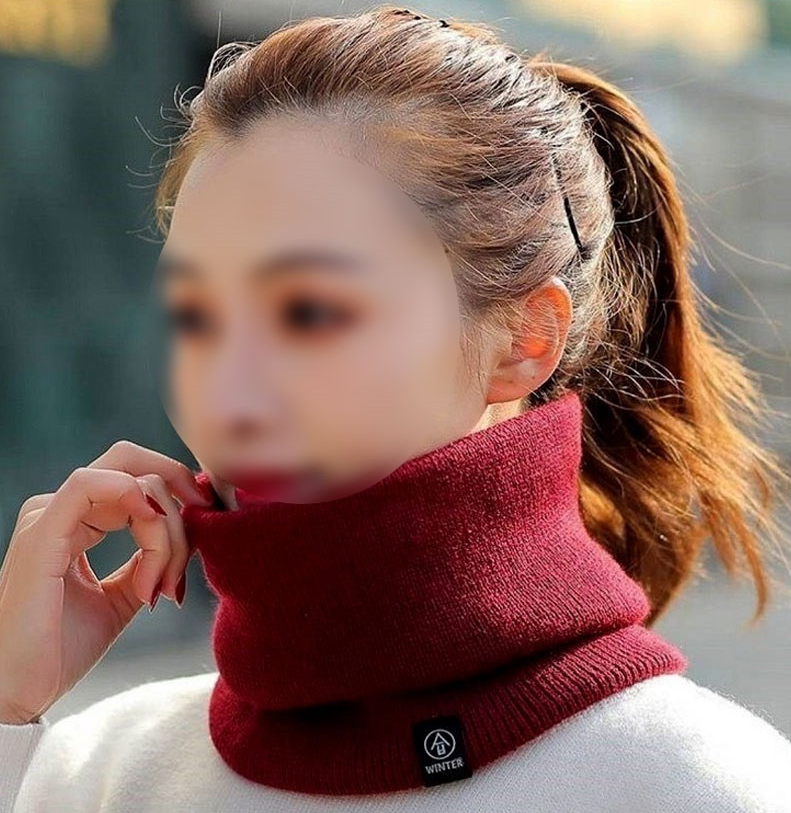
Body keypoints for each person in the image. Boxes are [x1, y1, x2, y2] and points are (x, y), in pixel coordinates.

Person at [1, 5, 790, 811]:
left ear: (525, 338)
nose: (226, 392)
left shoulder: (699, 786)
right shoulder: (95, 773)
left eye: (307, 311)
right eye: (194, 318)